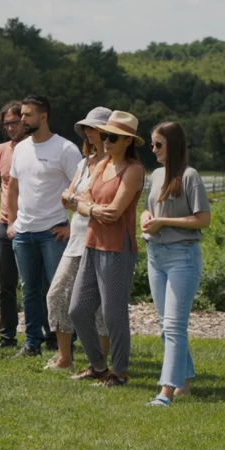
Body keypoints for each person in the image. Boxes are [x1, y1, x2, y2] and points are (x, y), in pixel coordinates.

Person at [68, 110, 146, 387]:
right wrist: (90, 208)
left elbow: (113, 213)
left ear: (127, 142)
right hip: (92, 243)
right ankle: (98, 366)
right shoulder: (102, 166)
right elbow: (80, 200)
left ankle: (121, 372)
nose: (106, 141)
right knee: (77, 310)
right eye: (105, 136)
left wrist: (88, 207)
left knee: (114, 315)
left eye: (113, 137)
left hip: (117, 247)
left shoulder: (133, 171)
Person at [142, 122, 211, 407]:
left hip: (182, 256)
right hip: (155, 254)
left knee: (174, 325)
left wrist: (163, 222)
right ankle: (183, 381)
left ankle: (165, 392)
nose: (154, 149)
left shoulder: (190, 176)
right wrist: (145, 217)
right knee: (166, 325)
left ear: (174, 145)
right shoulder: (157, 175)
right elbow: (150, 207)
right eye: (152, 144)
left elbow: (203, 219)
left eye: (159, 144)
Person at [7, 95, 82, 358]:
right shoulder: (21, 148)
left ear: (44, 116)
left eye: (27, 115)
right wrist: (12, 222)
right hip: (24, 233)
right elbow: (13, 187)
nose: (22, 119)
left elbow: (83, 190)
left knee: (59, 290)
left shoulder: (66, 149)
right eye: (22, 115)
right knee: (29, 291)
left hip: (53, 233)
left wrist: (72, 228)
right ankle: (31, 344)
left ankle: (64, 345)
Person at [44, 107, 112, 370]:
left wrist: (79, 201)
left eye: (94, 128)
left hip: (103, 240)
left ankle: (101, 362)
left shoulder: (117, 165)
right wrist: (80, 201)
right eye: (87, 128)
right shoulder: (85, 163)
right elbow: (67, 196)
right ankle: (65, 357)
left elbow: (101, 202)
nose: (89, 132)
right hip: (77, 240)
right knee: (58, 293)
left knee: (101, 305)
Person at [0, 101, 27, 348]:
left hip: (32, 224)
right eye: (7, 124)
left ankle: (48, 335)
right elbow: (3, 184)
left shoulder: (35, 148)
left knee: (37, 284)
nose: (11, 128)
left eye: (15, 122)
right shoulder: (1, 150)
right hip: (4, 224)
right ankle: (7, 336)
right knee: (6, 285)